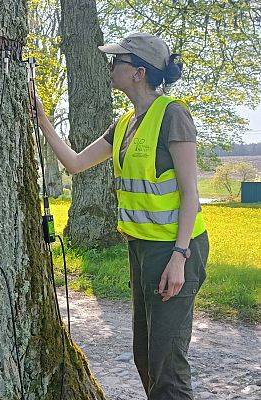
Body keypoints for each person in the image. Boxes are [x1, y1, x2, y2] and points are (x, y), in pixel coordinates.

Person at [31, 32, 209, 399]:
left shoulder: (173, 115)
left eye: (118, 62)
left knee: (167, 363)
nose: (111, 68)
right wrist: (41, 117)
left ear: (139, 72)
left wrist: (179, 257)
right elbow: (76, 163)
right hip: (141, 249)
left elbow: (191, 193)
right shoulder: (126, 122)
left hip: (177, 250)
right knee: (144, 356)